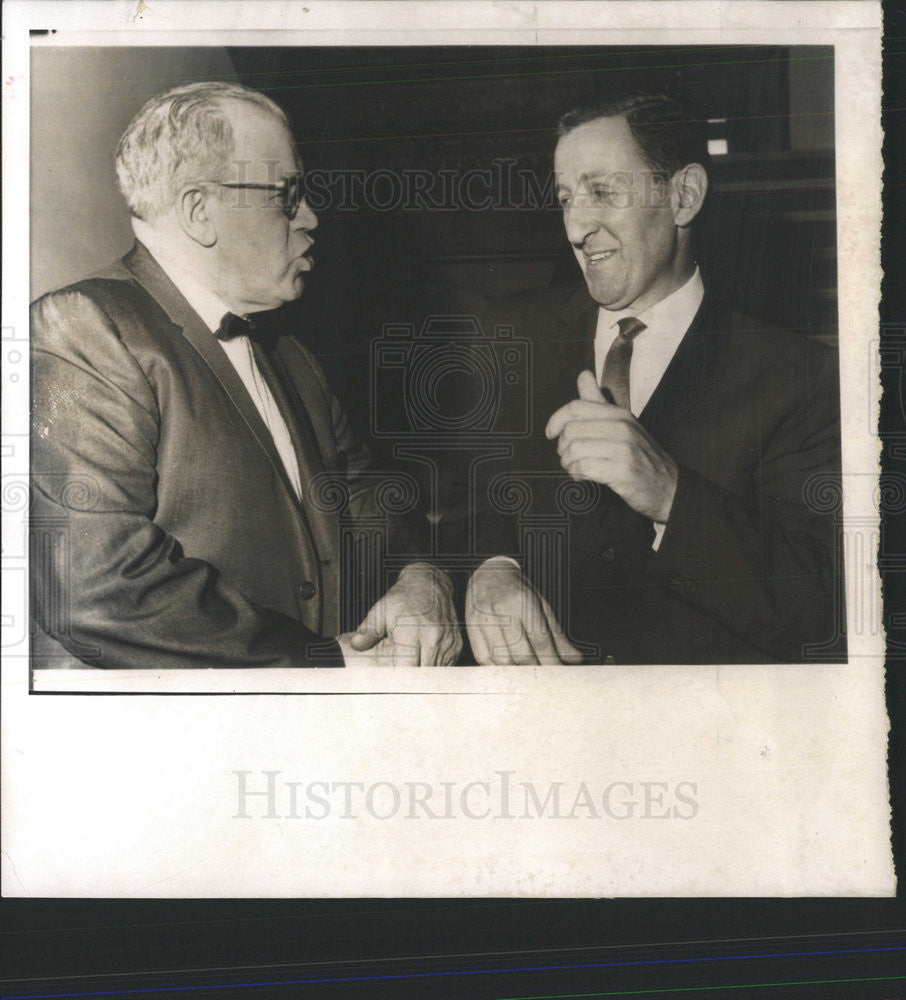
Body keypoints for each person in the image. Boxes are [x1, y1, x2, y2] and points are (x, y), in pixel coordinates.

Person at [30, 81, 460, 669]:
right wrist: (321, 664)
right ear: (199, 211)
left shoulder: (289, 354)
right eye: (287, 195)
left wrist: (419, 573)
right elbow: (94, 589)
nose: (310, 217)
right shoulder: (81, 326)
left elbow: (367, 497)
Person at [465, 89, 843, 664]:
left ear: (683, 195)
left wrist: (670, 496)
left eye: (602, 191)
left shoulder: (800, 377)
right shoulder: (508, 336)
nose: (575, 227)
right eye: (566, 198)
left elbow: (822, 608)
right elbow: (465, 504)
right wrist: (492, 568)